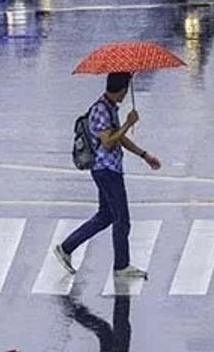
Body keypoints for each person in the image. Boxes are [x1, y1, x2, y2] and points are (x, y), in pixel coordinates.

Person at [54, 73, 161, 280]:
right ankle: (121, 266)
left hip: (109, 168)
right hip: (106, 170)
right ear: (121, 90)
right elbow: (109, 141)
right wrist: (129, 124)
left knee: (106, 216)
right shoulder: (101, 110)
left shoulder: (110, 107)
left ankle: (66, 247)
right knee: (122, 219)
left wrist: (144, 155)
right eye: (126, 90)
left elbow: (119, 139)